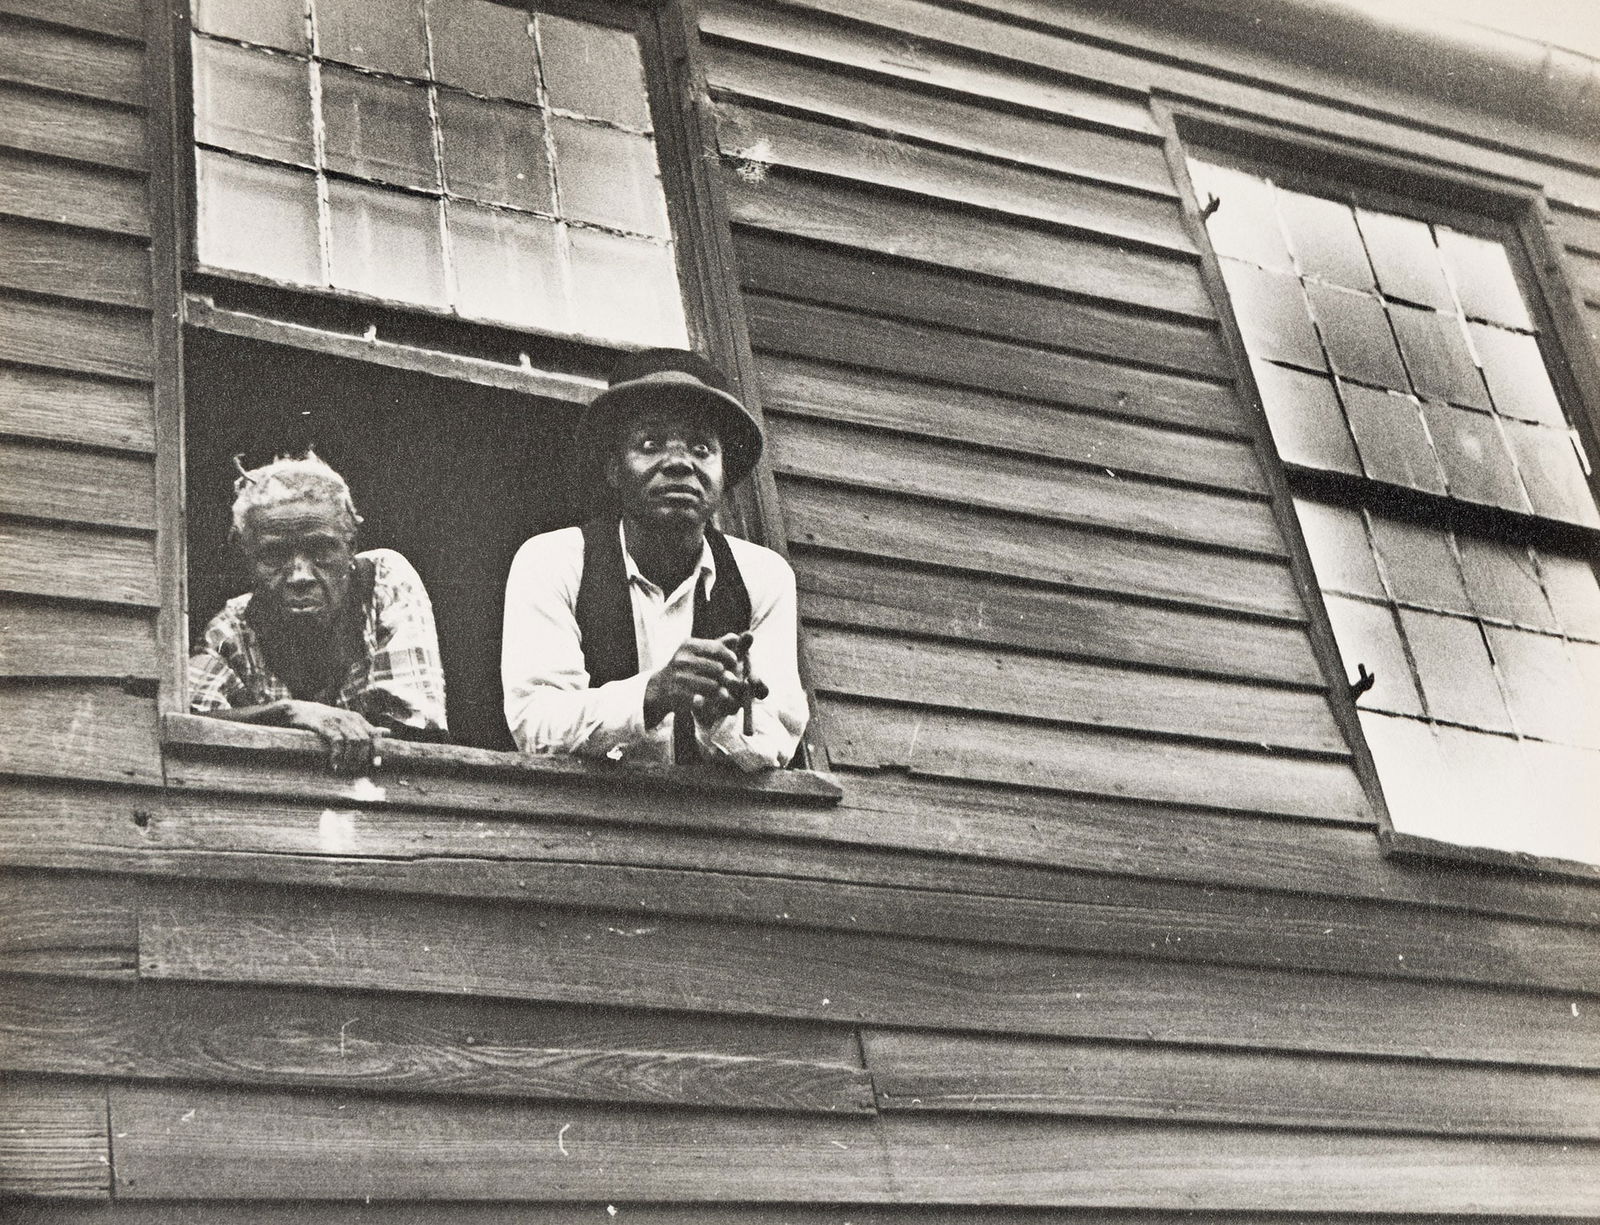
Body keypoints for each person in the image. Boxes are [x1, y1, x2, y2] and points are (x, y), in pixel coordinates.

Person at [502, 349, 807, 771]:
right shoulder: (553, 560)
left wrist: (716, 717)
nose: (680, 463)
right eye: (650, 444)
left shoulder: (763, 577)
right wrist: (653, 693)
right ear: (613, 469)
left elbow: (776, 740)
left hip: (719, 831)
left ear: (723, 473)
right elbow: (536, 725)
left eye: (702, 448)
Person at [189, 451, 447, 771]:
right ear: (246, 559)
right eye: (274, 555)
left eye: (320, 550)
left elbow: (412, 734)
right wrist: (291, 712)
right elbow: (189, 724)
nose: (300, 576)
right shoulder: (232, 629)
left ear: (351, 546)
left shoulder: (384, 580)